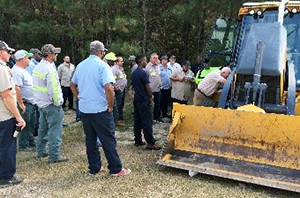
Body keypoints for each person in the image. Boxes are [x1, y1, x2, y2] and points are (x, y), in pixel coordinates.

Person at [71, 40, 131, 176]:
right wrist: (110, 105)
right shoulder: (102, 66)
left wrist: (79, 97)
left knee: (90, 140)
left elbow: (72, 84)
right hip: (100, 109)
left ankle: (94, 167)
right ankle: (115, 168)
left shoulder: (80, 65)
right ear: (101, 52)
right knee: (108, 139)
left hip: (85, 109)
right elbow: (109, 87)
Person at [32, 44, 68, 163]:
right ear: (50, 55)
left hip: (41, 104)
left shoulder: (37, 68)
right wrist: (58, 103)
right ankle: (54, 155)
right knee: (55, 130)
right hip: (51, 104)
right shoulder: (50, 69)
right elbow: (53, 89)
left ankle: (41, 150)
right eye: (55, 53)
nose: (57, 55)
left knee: (43, 128)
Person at [0, 41, 26, 187]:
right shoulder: (2, 70)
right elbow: (7, 95)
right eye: (8, 52)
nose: (10, 54)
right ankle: (6, 176)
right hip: (5, 116)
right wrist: (18, 116)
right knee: (7, 146)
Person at [131, 55, 162, 150]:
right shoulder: (143, 73)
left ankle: (138, 140)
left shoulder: (134, 72)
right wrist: (150, 96)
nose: (146, 62)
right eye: (145, 60)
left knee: (137, 120)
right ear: (141, 62)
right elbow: (147, 87)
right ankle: (150, 142)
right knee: (147, 121)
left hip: (137, 99)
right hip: (144, 100)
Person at [12, 50, 36, 151]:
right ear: (22, 59)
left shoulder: (23, 70)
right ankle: (23, 145)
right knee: (25, 124)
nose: (29, 59)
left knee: (31, 123)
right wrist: (21, 103)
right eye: (27, 57)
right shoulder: (16, 71)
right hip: (25, 103)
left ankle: (30, 142)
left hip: (31, 102)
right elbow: (17, 88)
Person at [26, 48, 42, 136]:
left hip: (36, 93)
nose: (40, 55)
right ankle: (35, 131)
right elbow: (30, 81)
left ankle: (36, 130)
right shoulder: (31, 65)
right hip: (33, 94)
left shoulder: (35, 64)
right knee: (35, 115)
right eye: (38, 53)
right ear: (34, 54)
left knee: (37, 114)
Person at [144, 53, 163, 123]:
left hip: (157, 89)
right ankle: (147, 118)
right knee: (148, 104)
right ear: (151, 58)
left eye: (157, 58)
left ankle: (156, 117)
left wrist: (160, 81)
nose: (156, 59)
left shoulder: (158, 66)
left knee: (157, 104)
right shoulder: (147, 67)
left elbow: (159, 75)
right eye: (155, 58)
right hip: (150, 89)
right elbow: (145, 79)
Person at [112, 56, 127, 126]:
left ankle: (120, 117)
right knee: (118, 104)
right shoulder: (114, 69)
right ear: (117, 62)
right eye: (121, 61)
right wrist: (116, 87)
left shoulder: (121, 69)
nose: (122, 62)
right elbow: (112, 80)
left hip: (122, 89)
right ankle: (116, 119)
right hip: (118, 90)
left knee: (121, 104)